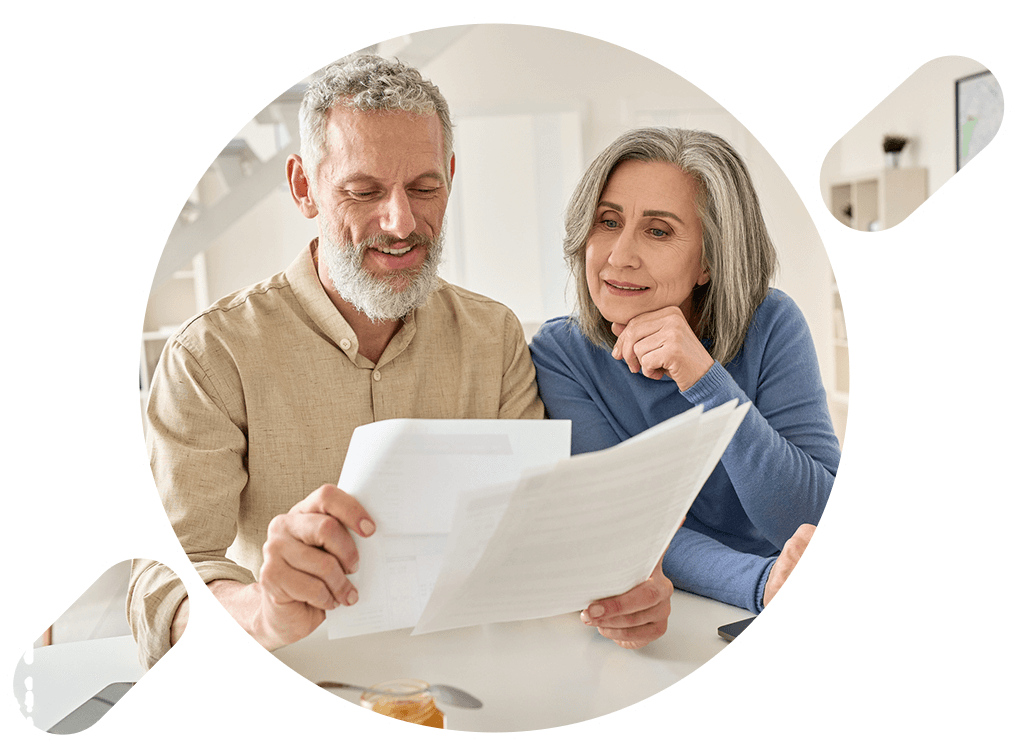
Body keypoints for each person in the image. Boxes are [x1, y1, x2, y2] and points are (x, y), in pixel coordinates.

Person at [129, 55, 669, 665]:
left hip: (476, 675)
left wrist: (622, 583)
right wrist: (261, 609)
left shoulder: (494, 337)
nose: (402, 222)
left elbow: (534, 533)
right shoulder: (210, 355)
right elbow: (160, 577)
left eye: (424, 188)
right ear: (304, 186)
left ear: (451, 177)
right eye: (363, 191)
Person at [529, 128, 841, 618]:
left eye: (658, 231)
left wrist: (706, 380)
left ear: (710, 261)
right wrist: (760, 582)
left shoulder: (772, 324)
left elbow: (813, 516)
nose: (619, 256)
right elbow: (624, 523)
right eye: (607, 222)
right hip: (675, 604)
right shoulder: (561, 354)